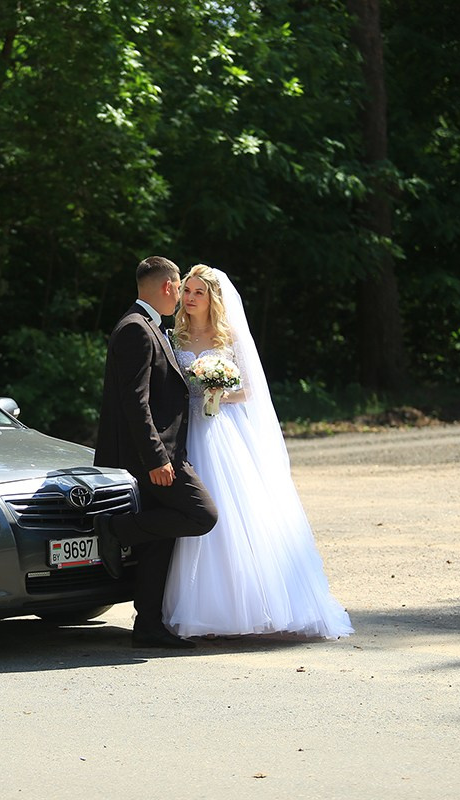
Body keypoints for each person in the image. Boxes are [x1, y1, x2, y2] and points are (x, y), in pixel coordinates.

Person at [162, 264, 353, 639]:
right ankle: (203, 608)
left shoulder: (228, 336)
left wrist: (217, 394)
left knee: (233, 511)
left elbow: (248, 389)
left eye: (199, 292)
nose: (190, 298)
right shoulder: (174, 337)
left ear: (213, 298)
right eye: (187, 291)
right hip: (186, 431)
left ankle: (245, 605)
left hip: (222, 429)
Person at [94, 256, 219, 649]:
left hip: (161, 452)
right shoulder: (136, 328)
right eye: (179, 287)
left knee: (159, 539)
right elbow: (136, 403)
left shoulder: (149, 325)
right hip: (153, 457)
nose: (180, 295)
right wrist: (157, 460)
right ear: (168, 286)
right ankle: (115, 530)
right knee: (201, 514)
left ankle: (148, 625)